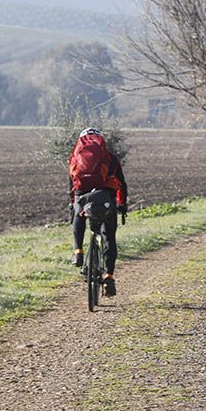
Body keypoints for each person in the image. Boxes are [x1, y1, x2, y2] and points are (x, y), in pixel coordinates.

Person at [68, 127, 128, 296]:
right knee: (109, 236)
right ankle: (109, 276)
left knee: (78, 215)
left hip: (82, 196)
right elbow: (122, 185)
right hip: (105, 198)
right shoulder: (110, 159)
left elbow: (71, 186)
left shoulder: (74, 157)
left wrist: (73, 205)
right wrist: (121, 205)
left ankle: (78, 251)